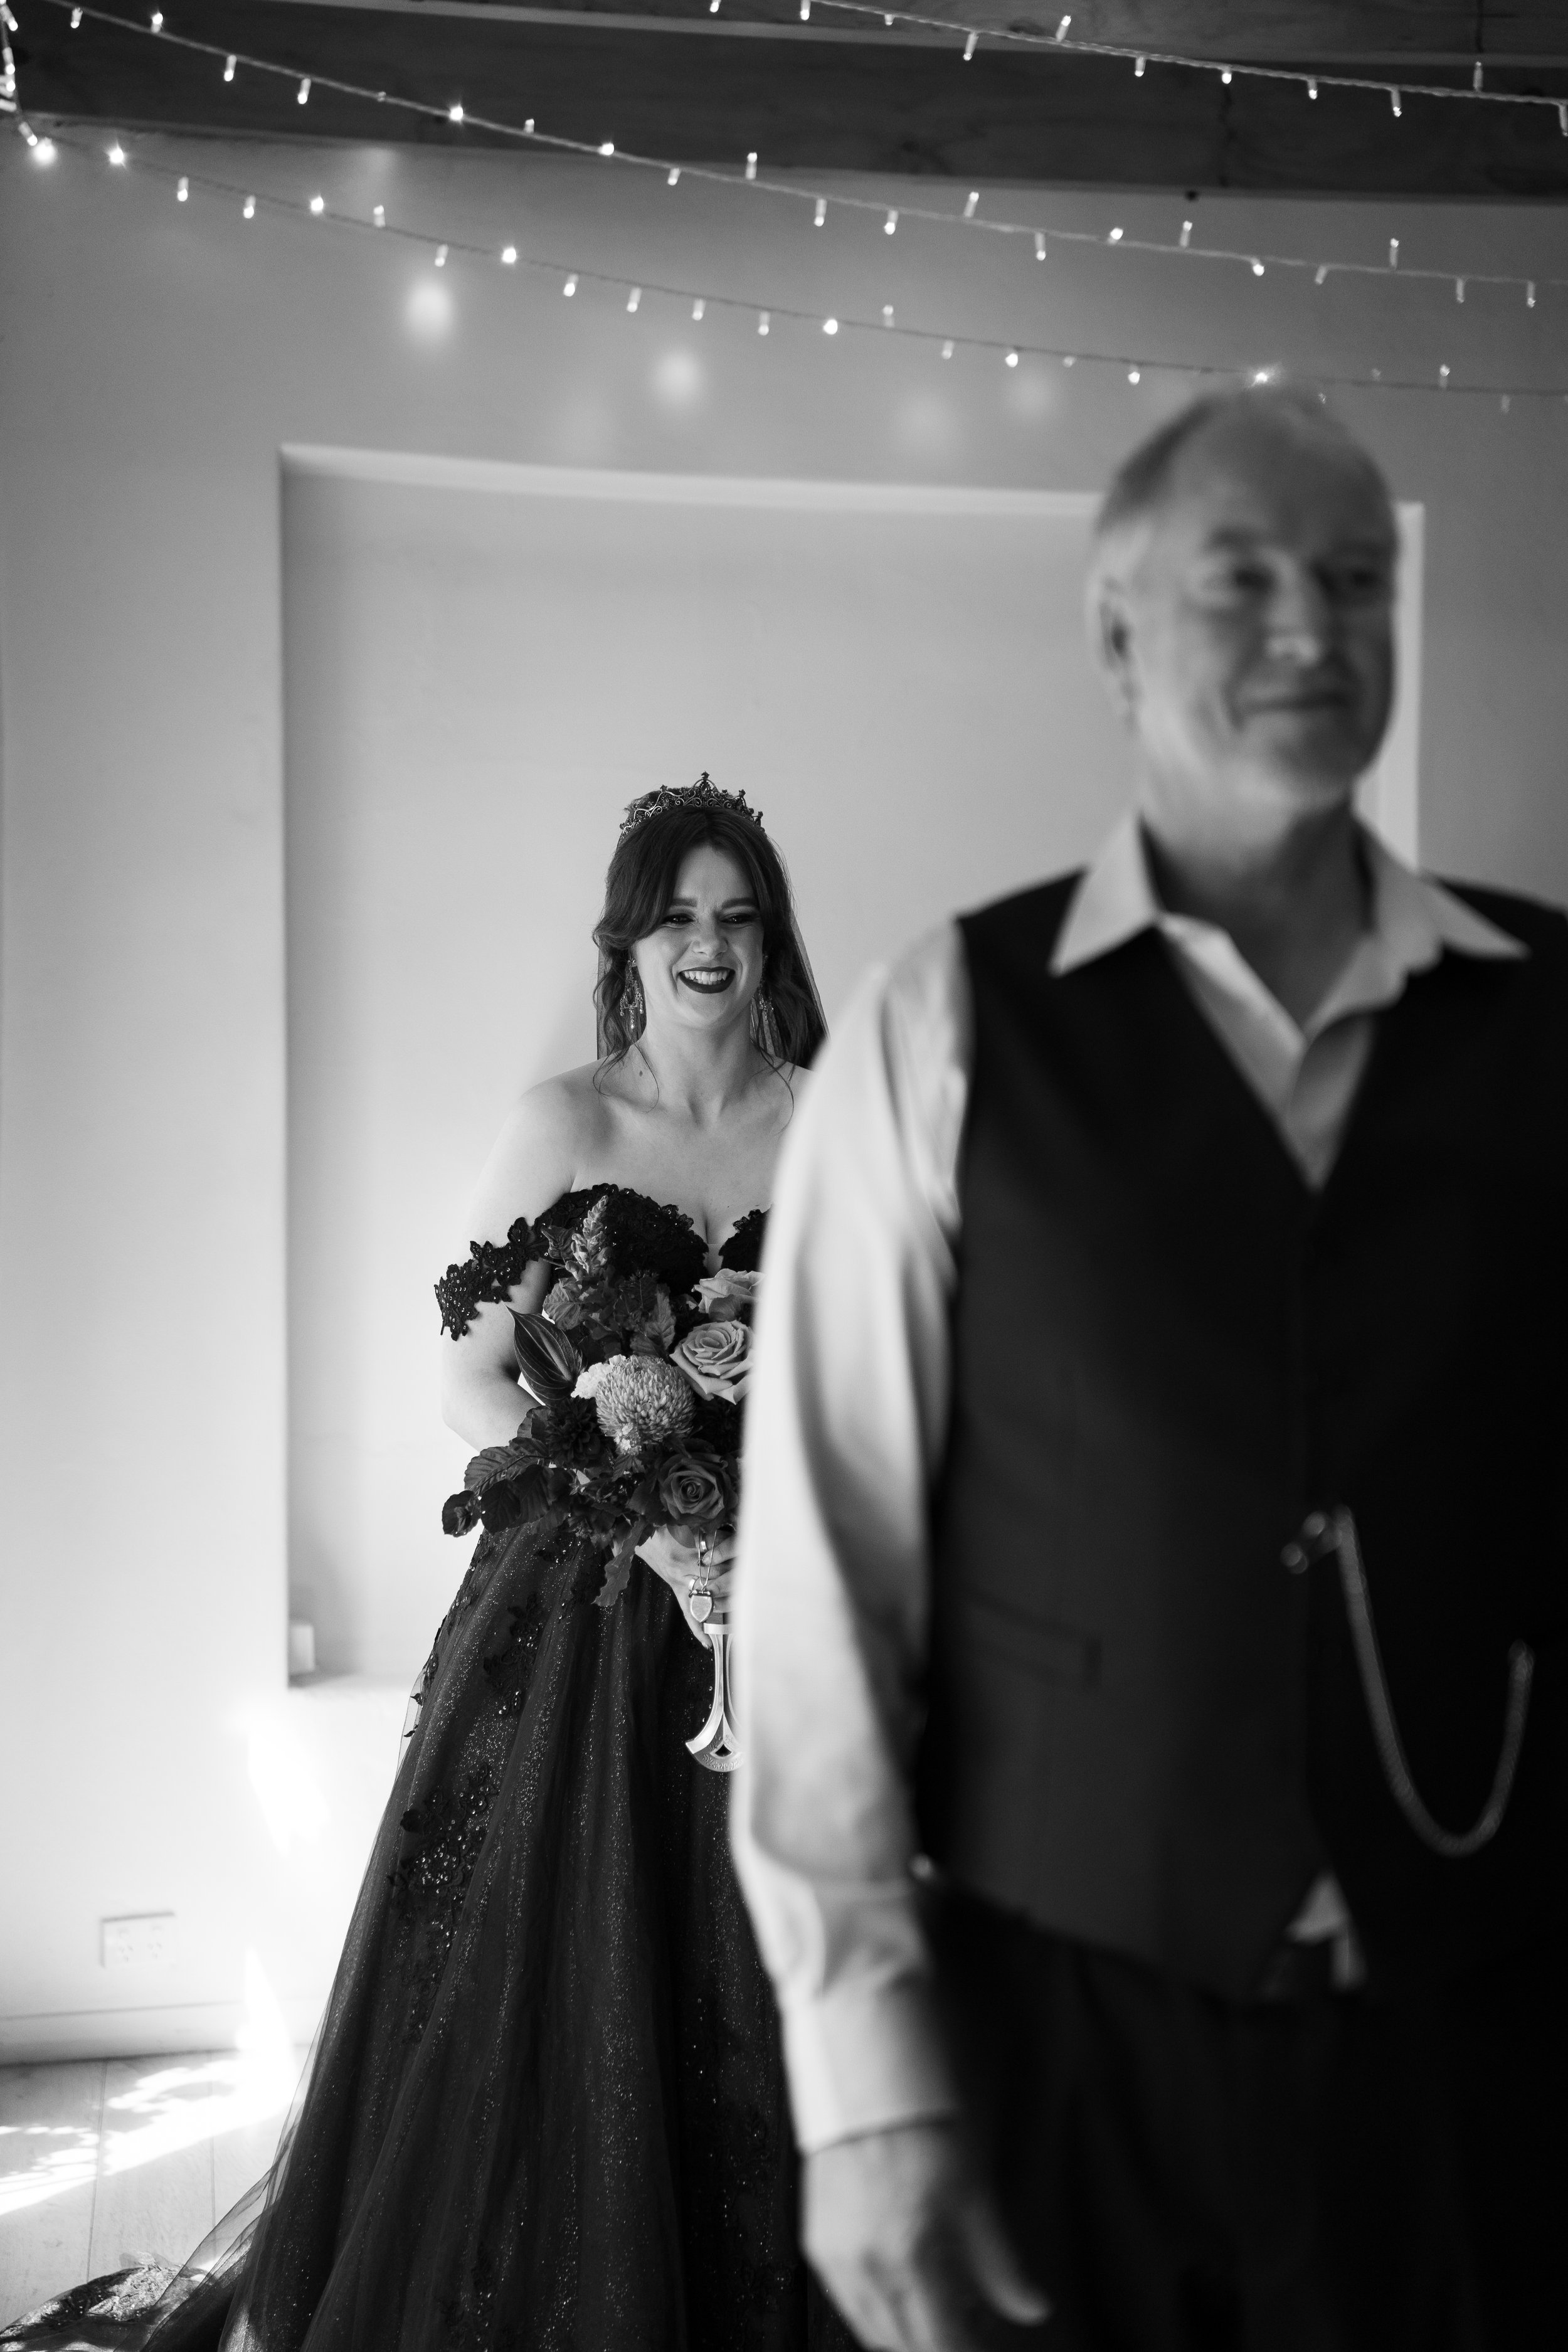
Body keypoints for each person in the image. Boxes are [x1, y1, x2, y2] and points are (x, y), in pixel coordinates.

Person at [731, 389, 1567, 2351]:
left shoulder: (1553, 1018)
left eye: (1356, 579)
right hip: (1066, 2027)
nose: (1313, 627)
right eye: (1244, 580)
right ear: (1114, 635)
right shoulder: (942, 1020)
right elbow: (825, 1573)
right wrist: (865, 2082)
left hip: (1491, 2021)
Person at [5, 778, 852, 2352]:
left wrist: (755, 1522)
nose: (708, 945)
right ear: (631, 938)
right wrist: (634, 1506)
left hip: (772, 1587)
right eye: (677, 915)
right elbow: (470, 1379)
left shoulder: (823, 1115)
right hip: (585, 1599)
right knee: (549, 1962)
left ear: (770, 939)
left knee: (756, 1966)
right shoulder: (567, 1121)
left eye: (736, 917)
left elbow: (862, 1366)